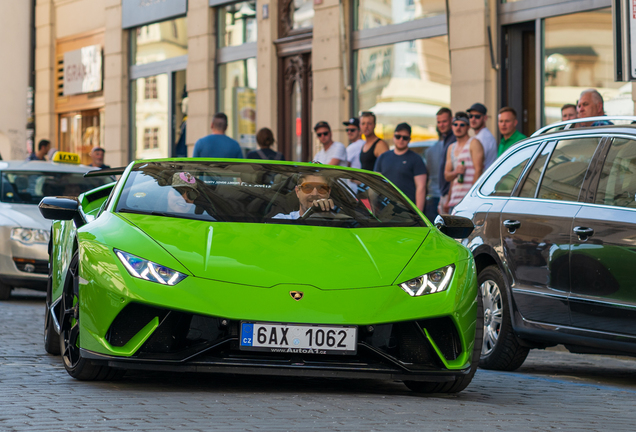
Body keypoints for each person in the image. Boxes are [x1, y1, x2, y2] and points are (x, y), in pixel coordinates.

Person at [374, 123, 427, 212]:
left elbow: (421, 187)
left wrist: (419, 214)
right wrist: (373, 210)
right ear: (394, 137)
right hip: (384, 209)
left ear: (409, 139)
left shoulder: (416, 159)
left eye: (405, 137)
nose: (401, 140)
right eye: (398, 136)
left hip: (408, 210)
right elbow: (375, 185)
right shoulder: (383, 157)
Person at [444, 112, 484, 212]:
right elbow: (447, 176)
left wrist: (472, 198)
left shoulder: (474, 143)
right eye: (455, 124)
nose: (458, 127)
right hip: (454, 202)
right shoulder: (451, 147)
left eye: (462, 125)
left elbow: (479, 170)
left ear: (468, 127)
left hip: (468, 202)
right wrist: (448, 201)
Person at [428, 107, 454, 221]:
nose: (441, 125)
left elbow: (453, 173)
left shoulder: (453, 140)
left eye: (444, 121)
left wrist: (448, 196)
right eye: (439, 122)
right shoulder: (446, 140)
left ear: (451, 120)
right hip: (442, 194)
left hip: (449, 195)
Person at [467, 103, 497, 169]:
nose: (473, 119)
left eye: (477, 116)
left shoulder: (483, 137)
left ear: (485, 118)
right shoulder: (482, 136)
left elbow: (478, 167)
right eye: (470, 116)